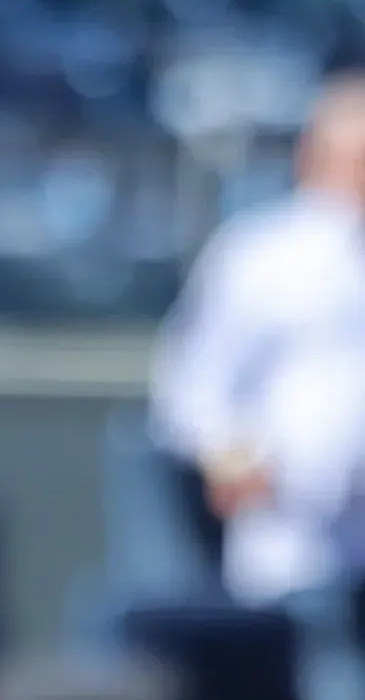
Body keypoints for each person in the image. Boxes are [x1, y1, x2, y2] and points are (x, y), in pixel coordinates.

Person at [147, 72, 365, 606]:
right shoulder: (263, 254)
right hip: (292, 539)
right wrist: (234, 458)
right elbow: (191, 386)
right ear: (314, 155)